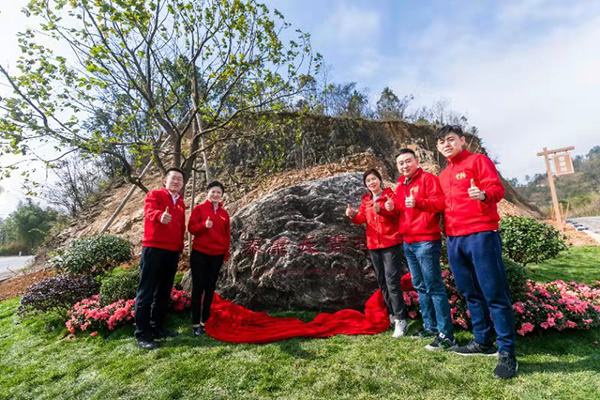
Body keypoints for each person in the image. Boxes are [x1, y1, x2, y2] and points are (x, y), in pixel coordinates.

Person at [436, 125, 518, 379]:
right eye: (441, 142)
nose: (446, 144)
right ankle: (482, 341)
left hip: (481, 234)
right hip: (454, 239)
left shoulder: (478, 161)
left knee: (494, 292)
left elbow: (497, 189)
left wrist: (483, 194)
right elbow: (439, 205)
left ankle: (507, 353)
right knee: (469, 291)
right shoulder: (443, 175)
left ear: (462, 140)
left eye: (450, 140)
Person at [394, 148, 456, 351]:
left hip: (426, 241)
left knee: (434, 287)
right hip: (409, 242)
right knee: (420, 286)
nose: (405, 165)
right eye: (401, 163)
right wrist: (389, 207)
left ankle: (446, 335)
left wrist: (419, 202)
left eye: (408, 161)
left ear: (416, 161)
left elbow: (440, 204)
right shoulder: (400, 186)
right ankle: (430, 326)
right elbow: (399, 210)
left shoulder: (428, 179)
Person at [346, 169, 408, 338]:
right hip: (374, 245)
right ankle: (390, 316)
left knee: (392, 281)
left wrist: (385, 208)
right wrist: (352, 215)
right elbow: (361, 219)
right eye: (368, 181)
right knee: (382, 282)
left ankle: (401, 320)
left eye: (374, 179)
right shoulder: (365, 200)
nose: (371, 183)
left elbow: (396, 212)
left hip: (390, 242)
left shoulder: (390, 195)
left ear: (380, 180)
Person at [134, 168, 186, 350]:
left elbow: (181, 227)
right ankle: (142, 334)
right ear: (165, 181)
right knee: (146, 291)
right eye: (173, 178)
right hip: (154, 248)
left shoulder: (181, 203)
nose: (176, 181)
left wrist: (180, 247)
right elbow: (149, 212)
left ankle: (157, 327)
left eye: (180, 179)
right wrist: (159, 216)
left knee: (163, 292)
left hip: (172, 251)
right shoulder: (154, 195)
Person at [188, 181, 231, 336]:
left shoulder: (224, 214)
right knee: (198, 288)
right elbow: (191, 228)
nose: (215, 195)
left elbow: (227, 236)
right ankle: (194, 324)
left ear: (222, 195)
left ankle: (204, 322)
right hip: (200, 254)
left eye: (218, 192)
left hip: (217, 256)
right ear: (208, 193)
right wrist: (203, 225)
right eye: (213, 192)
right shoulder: (199, 209)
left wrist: (225, 254)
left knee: (210, 288)